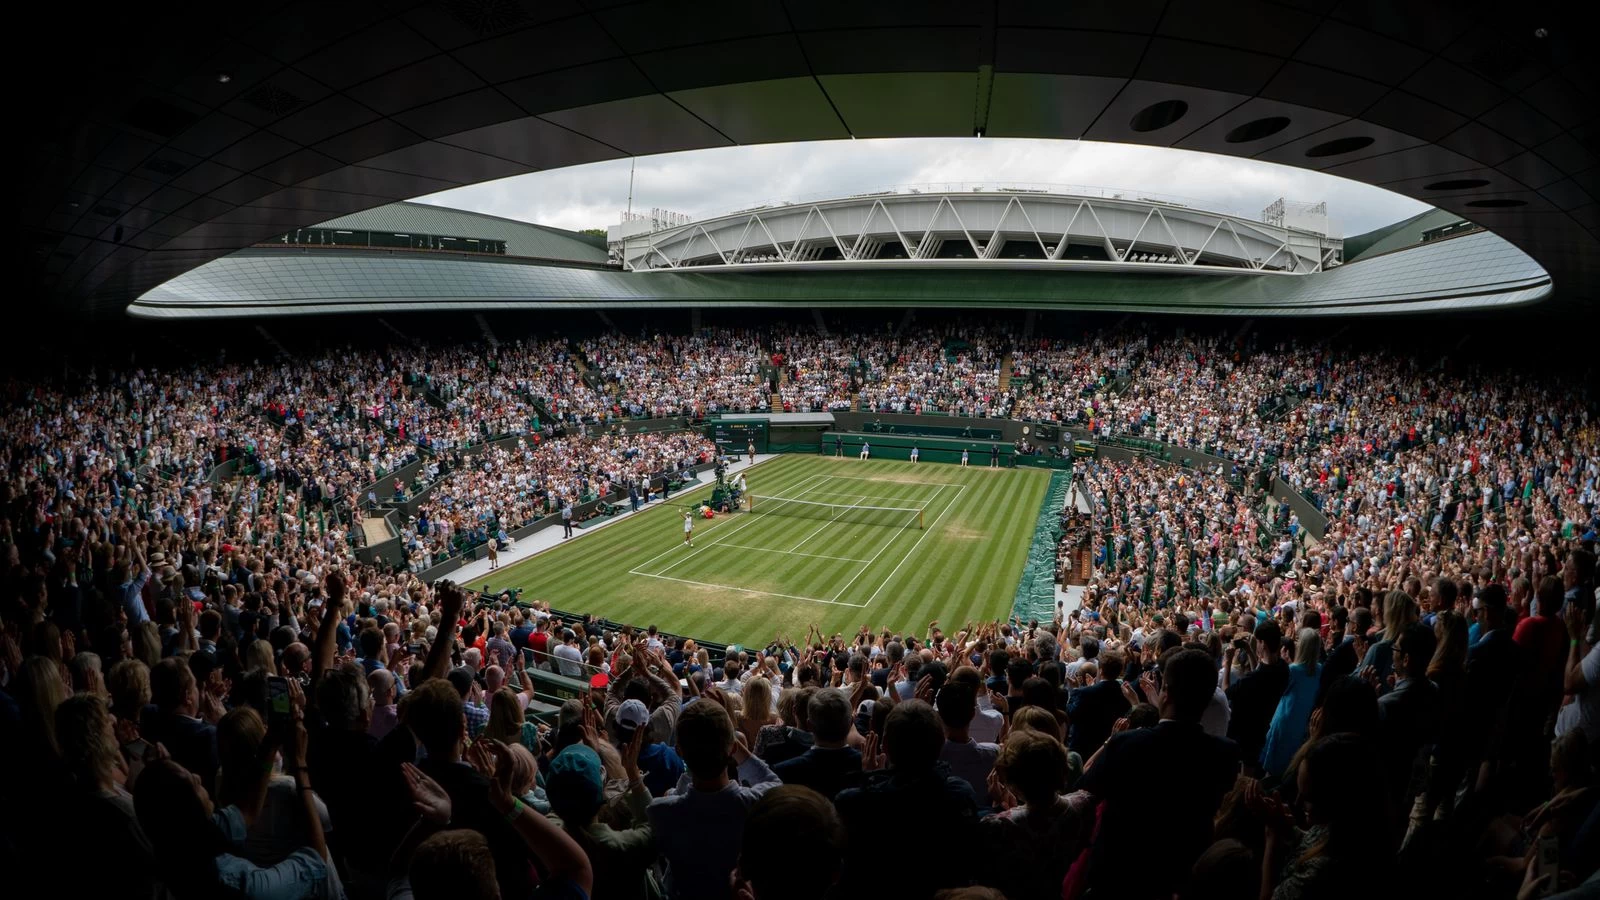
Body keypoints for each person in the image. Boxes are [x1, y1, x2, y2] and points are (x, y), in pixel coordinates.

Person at [1076, 649, 1239, 900]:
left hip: (1118, 877)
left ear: (1166, 693)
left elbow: (1085, 790)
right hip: (1178, 878)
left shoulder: (1126, 743)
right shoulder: (1225, 753)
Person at [835, 701, 979, 896]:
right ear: (941, 742)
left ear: (885, 745)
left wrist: (871, 780)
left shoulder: (851, 803)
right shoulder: (960, 793)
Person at [647, 698, 781, 900]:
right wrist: (731, 742)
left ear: (679, 751)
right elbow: (774, 782)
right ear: (733, 748)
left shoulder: (660, 813)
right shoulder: (755, 804)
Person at [1259, 628, 1322, 777]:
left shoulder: (1292, 670)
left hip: (1285, 719)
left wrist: (1284, 664)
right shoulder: (1320, 669)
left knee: (1273, 767)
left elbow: (1280, 690)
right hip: (1302, 721)